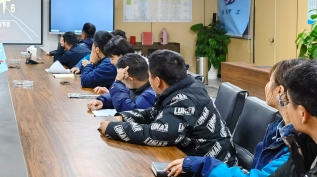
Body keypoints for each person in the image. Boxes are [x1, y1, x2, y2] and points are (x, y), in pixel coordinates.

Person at [164, 59, 300, 177]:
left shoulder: (297, 145)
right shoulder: (278, 129)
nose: (267, 85)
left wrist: (203, 166)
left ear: (280, 91)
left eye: (269, 81)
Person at [99, 49, 236, 165]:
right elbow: (154, 113)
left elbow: (158, 134)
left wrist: (113, 128)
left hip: (213, 168)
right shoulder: (182, 87)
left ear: (158, 82)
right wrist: (123, 117)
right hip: (194, 160)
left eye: (150, 76)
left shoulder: (185, 99)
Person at [87, 52, 156, 114]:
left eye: (122, 77)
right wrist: (103, 101)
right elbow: (124, 96)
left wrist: (117, 82)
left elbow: (129, 111)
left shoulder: (151, 93)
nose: (122, 81)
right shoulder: (137, 86)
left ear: (131, 79)